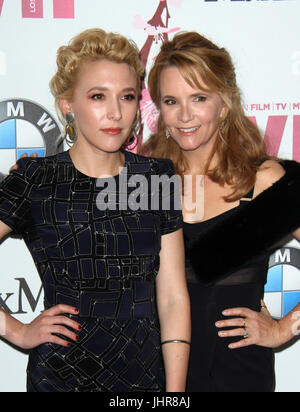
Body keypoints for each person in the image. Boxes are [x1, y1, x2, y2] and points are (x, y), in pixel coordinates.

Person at [0, 28, 191, 392]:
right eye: (98, 96)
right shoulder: (36, 180)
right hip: (59, 377)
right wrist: (18, 331)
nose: (115, 112)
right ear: (67, 104)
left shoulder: (156, 178)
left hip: (143, 376)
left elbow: (172, 297)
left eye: (128, 96)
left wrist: (175, 394)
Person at [140, 31, 300, 392]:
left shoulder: (262, 181)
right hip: (155, 380)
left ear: (224, 102)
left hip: (238, 379)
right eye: (170, 100)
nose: (184, 115)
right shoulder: (145, 183)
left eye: (199, 98)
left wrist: (281, 329)